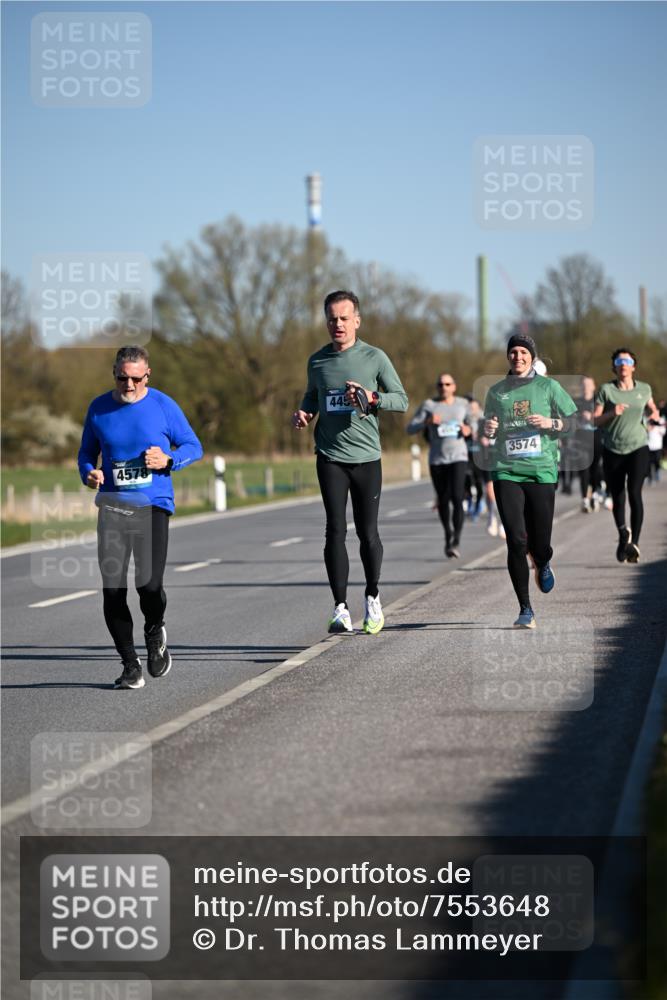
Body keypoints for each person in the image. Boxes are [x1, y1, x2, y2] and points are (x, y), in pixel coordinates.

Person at [78, 345, 203, 689]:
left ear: (148, 375)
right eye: (122, 378)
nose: (129, 385)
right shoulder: (99, 408)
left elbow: (193, 446)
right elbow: (86, 454)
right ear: (114, 374)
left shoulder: (163, 405)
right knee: (113, 590)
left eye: (136, 378)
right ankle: (129, 665)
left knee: (148, 584)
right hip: (113, 506)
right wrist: (89, 473)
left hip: (153, 505)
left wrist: (168, 460)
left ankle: (154, 627)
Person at [292, 290, 408, 634]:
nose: (337, 324)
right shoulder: (317, 361)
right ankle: (340, 607)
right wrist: (304, 413)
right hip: (329, 456)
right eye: (332, 319)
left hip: (367, 458)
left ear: (357, 320)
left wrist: (373, 398)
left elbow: (401, 400)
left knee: (368, 533)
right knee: (335, 530)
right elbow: (313, 396)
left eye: (344, 318)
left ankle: (372, 597)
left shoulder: (374, 357)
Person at [483, 333, 577, 629]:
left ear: (531, 356)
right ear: (508, 356)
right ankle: (525, 609)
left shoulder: (549, 387)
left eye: (523, 352)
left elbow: (575, 421)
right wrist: (488, 428)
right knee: (516, 540)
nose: (518, 357)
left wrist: (552, 423)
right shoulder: (496, 392)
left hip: (541, 472)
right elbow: (491, 429)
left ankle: (544, 560)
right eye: (513, 352)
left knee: (540, 542)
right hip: (506, 471)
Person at [594, 348, 660, 563]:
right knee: (618, 496)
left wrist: (653, 415)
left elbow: (651, 409)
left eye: (627, 360)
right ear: (614, 366)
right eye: (619, 361)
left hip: (638, 447)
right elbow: (595, 420)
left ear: (633, 366)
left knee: (634, 492)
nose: (623, 364)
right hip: (613, 448)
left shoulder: (644, 389)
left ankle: (635, 544)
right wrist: (613, 413)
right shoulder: (606, 390)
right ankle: (624, 534)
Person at [407, 375, 472, 557]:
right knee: (443, 500)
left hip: (459, 457)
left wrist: (469, 430)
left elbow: (475, 423)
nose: (443, 387)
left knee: (457, 498)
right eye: (440, 384)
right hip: (437, 459)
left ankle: (456, 541)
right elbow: (410, 428)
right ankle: (448, 535)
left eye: (447, 384)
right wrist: (426, 422)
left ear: (454, 387)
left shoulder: (462, 404)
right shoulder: (429, 405)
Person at [573, 375, 603, 512]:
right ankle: (585, 499)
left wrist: (592, 416)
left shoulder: (599, 400)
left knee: (595, 469)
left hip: (596, 438)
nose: (586, 387)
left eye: (589, 384)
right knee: (583, 469)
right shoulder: (576, 402)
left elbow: (605, 416)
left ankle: (595, 494)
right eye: (584, 385)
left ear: (594, 386)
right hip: (581, 440)